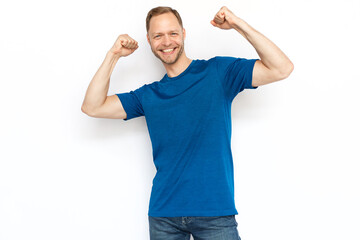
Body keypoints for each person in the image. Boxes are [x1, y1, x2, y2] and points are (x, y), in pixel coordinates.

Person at [81, 6, 293, 240]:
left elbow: (281, 68)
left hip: (215, 213)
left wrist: (237, 24)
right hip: (164, 216)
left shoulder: (218, 72)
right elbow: (92, 106)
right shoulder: (148, 95)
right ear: (150, 42)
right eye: (158, 36)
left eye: (172, 33)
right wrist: (113, 55)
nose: (166, 41)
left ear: (183, 33)